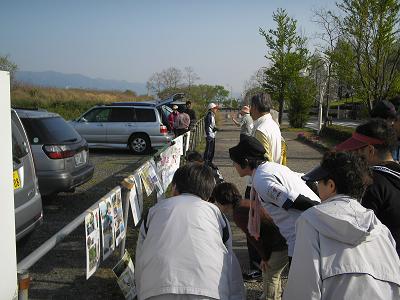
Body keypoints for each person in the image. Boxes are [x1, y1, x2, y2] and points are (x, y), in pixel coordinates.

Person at [284, 151, 400, 300]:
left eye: (319, 182)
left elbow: (303, 289)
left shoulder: (311, 220)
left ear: (331, 185)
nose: (317, 188)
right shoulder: (380, 228)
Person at [135, 163, 245, 300]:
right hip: (210, 290)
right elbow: (229, 260)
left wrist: (141, 293)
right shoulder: (216, 215)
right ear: (208, 195)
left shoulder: (154, 212)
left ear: (174, 188)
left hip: (155, 289)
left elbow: (140, 258)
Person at [229, 136, 320, 260]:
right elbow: (308, 182)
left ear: (245, 161)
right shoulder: (273, 167)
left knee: (301, 279)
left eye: (234, 161)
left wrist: (323, 212)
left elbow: (296, 201)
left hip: (303, 239)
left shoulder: (262, 181)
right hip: (310, 233)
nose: (233, 165)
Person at [210, 182, 288, 300]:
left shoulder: (239, 214)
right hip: (282, 238)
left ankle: (271, 297)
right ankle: (274, 296)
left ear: (223, 202)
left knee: (270, 274)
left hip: (279, 243)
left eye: (217, 202)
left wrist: (264, 257)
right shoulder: (244, 203)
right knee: (271, 273)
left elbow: (255, 238)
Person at [335, 119, 400, 255]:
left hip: (384, 262)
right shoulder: (395, 173)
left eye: (355, 151)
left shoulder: (369, 184)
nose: (352, 157)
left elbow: (356, 234)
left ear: (370, 150)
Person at [250, 93, 282, 164]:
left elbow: (263, 162)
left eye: (251, 106)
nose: (250, 110)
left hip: (264, 174)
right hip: (275, 169)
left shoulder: (261, 130)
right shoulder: (274, 124)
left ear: (255, 107)